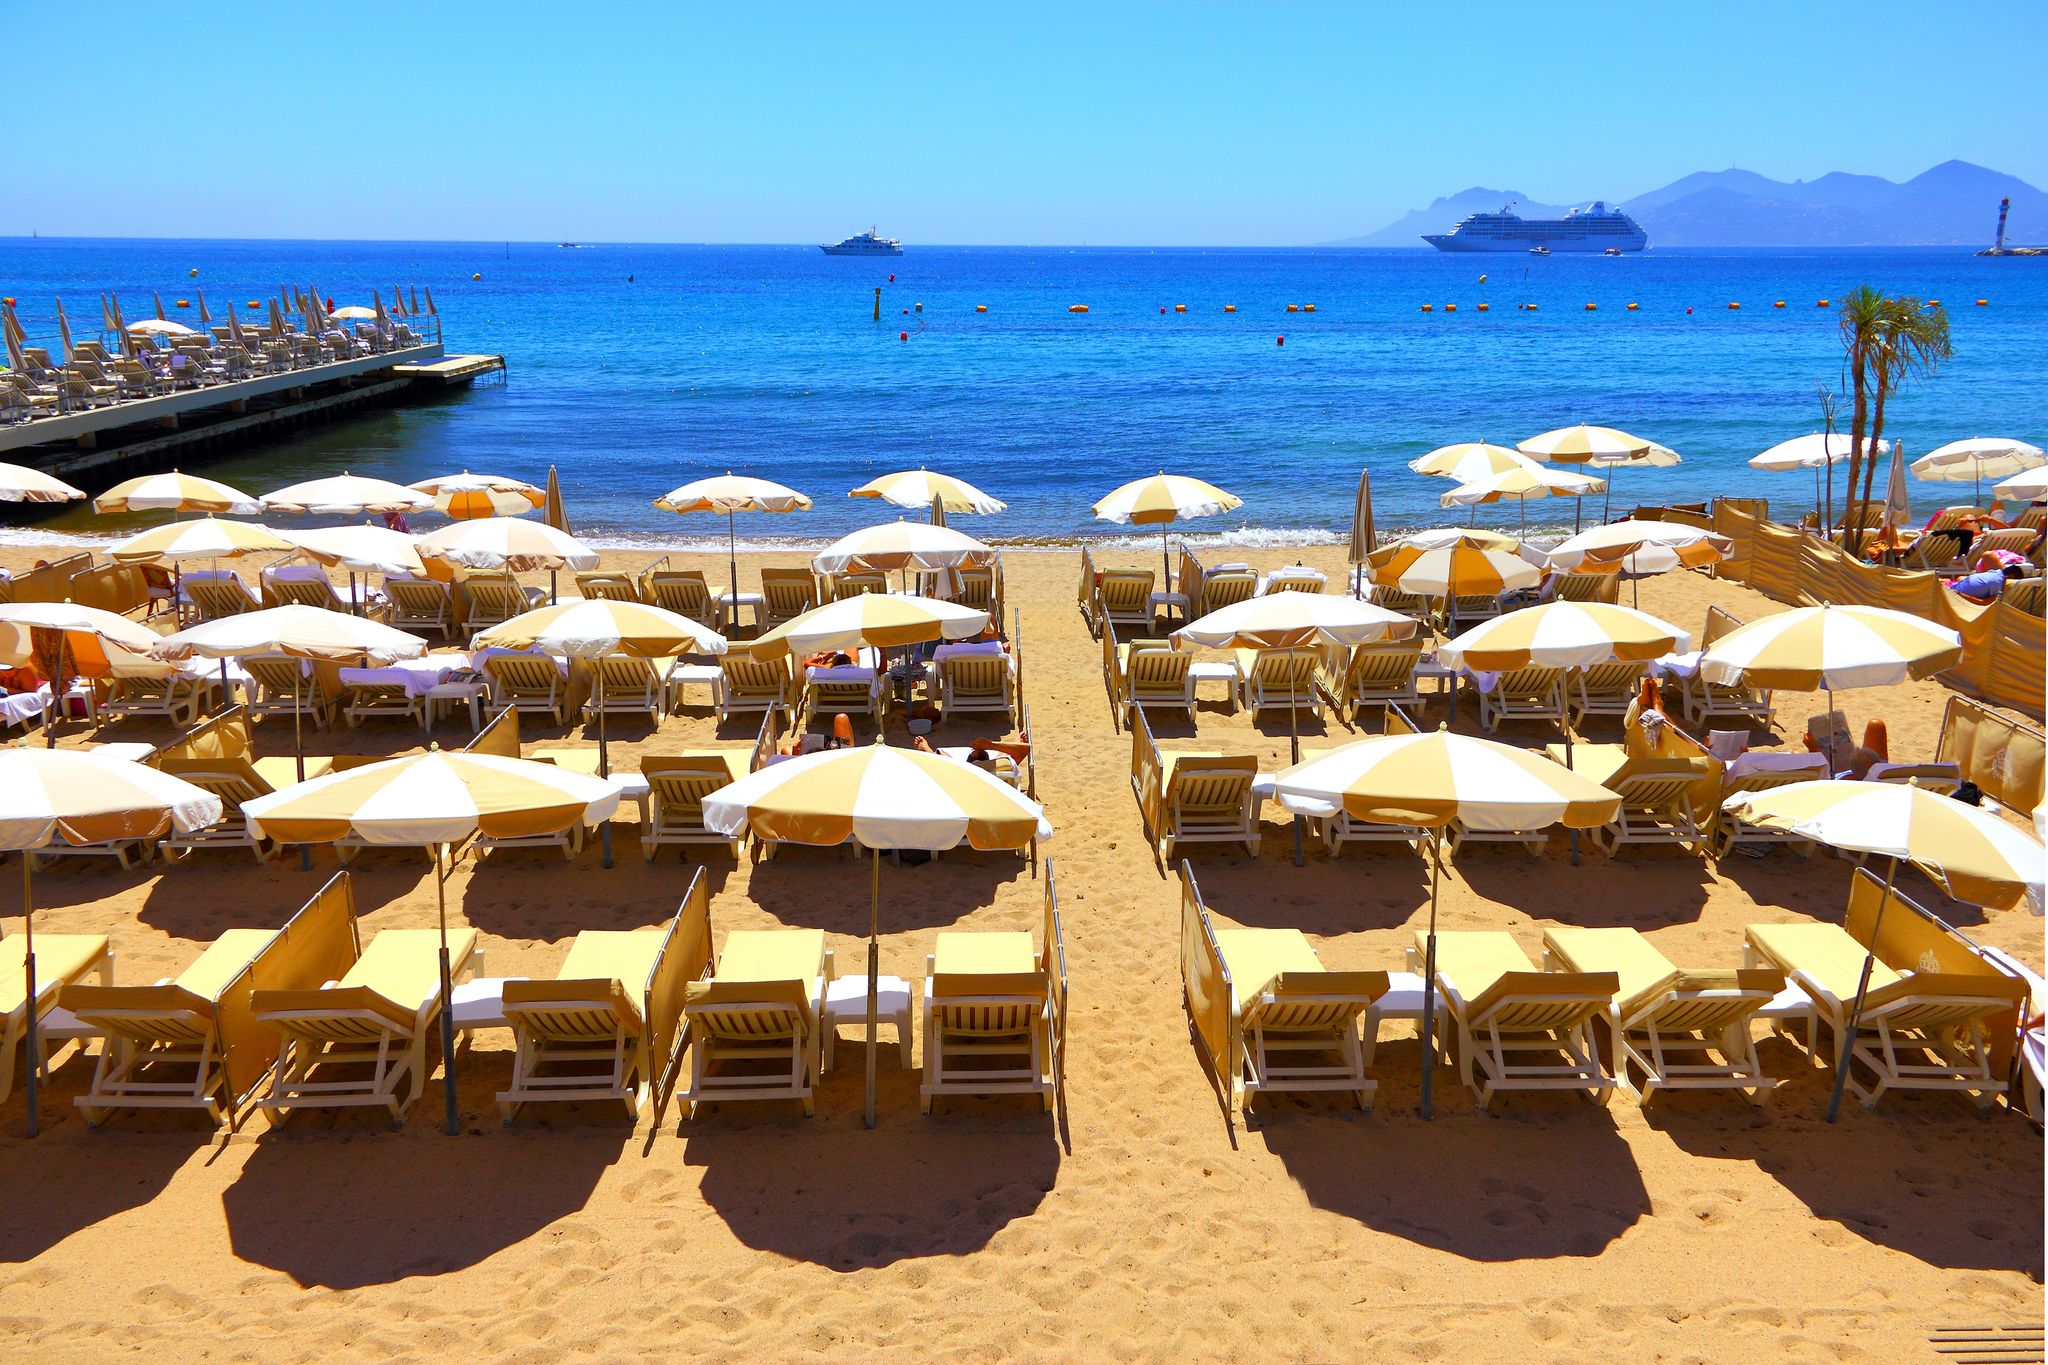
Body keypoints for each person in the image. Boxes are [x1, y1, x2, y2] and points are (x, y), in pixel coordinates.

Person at [1944, 561, 2025, 604]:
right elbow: (1985, 603)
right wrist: (1959, 594)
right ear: (2011, 576)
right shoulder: (1999, 583)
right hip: (1955, 597)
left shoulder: (1995, 572)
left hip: (1950, 590)